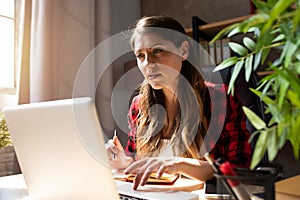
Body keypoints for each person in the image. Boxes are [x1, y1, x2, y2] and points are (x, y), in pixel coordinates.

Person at [106, 15, 252, 190]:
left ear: (183, 51)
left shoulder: (219, 98)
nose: (148, 64)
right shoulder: (139, 106)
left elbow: (239, 169)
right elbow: (143, 165)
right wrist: (125, 163)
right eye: (140, 55)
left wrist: (179, 164)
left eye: (157, 51)